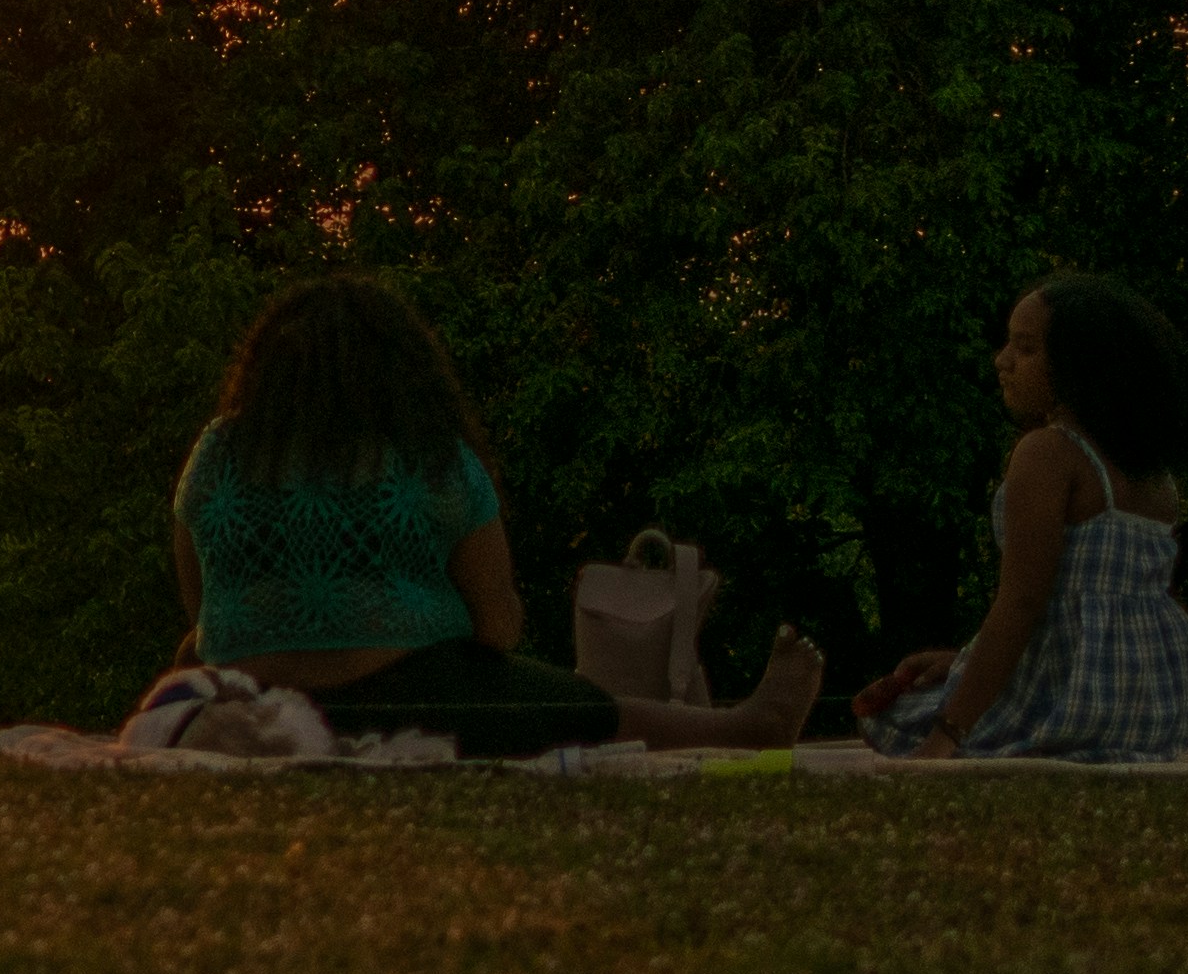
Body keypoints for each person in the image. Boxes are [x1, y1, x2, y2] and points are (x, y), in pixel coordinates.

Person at [165, 275, 823, 758]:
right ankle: (745, 728)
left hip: (245, 707)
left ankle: (745, 727)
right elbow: (496, 626)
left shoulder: (217, 452)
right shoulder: (432, 458)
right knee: (581, 706)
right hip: (416, 701)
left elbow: (203, 616)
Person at [858, 275, 1188, 760]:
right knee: (925, 687)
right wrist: (962, 660)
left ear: (1081, 367)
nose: (1002, 361)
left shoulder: (1048, 453)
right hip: (1148, 710)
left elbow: (1023, 603)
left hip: (1072, 702)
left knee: (893, 718)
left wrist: (946, 735)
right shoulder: (1156, 478)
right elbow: (1105, 612)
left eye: (1025, 349)